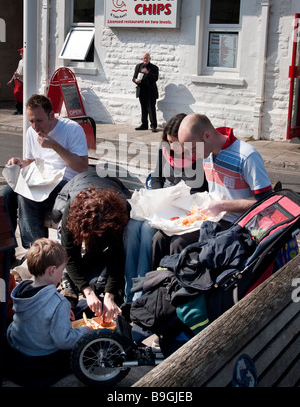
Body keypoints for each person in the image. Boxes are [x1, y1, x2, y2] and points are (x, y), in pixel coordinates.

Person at [150, 113, 273, 268]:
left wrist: (222, 206)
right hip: (210, 219)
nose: (191, 155)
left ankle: (179, 288)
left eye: (193, 149)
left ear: (207, 135)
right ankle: (153, 286)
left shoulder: (247, 156)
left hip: (236, 224)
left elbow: (267, 201)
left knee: (178, 243)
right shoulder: (206, 152)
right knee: (159, 238)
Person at [123, 113, 208, 310]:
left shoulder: (198, 157)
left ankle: (141, 293)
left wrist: (171, 199)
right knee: (131, 227)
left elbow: (198, 192)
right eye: (169, 142)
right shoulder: (166, 152)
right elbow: (156, 177)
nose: (173, 148)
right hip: (161, 201)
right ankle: (129, 291)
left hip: (182, 208)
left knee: (146, 229)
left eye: (176, 143)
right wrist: (158, 193)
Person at [0, 94, 89, 250]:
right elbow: (31, 161)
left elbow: (82, 167)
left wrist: (55, 146)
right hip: (41, 179)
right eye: (31, 121)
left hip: (66, 184)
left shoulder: (72, 129)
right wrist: (20, 163)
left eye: (39, 120)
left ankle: (37, 254)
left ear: (51, 115)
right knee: (6, 194)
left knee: (26, 195)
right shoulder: (31, 132)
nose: (35, 126)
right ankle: (6, 249)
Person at [5, 238, 92, 387]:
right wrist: (85, 331)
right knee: (83, 351)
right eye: (62, 270)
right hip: (41, 354)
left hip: (18, 347)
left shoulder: (20, 291)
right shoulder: (59, 303)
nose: (62, 273)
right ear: (52, 270)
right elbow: (63, 340)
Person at [58, 175, 130, 322]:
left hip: (113, 187)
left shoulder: (120, 210)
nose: (99, 235)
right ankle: (70, 286)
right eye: (95, 232)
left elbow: (116, 255)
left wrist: (110, 295)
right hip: (77, 183)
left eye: (102, 232)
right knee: (71, 260)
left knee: (103, 248)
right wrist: (88, 292)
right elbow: (70, 256)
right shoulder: (71, 213)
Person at [133, 52, 159, 132]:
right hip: (141, 90)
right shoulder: (138, 66)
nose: (145, 59)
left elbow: (155, 78)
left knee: (151, 108)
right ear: (142, 59)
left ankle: (153, 125)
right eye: (144, 58)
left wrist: (147, 72)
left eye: (147, 58)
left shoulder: (154, 67)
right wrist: (136, 80)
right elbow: (134, 77)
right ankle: (144, 125)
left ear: (150, 59)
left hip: (151, 91)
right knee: (143, 108)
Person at [7, 47, 23, 115]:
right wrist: (11, 80)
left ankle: (20, 110)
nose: (20, 54)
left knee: (20, 95)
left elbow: (28, 73)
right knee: (16, 95)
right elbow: (16, 71)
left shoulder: (27, 62)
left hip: (22, 81)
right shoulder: (20, 61)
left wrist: (19, 76)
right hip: (17, 81)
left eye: (21, 52)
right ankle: (18, 109)